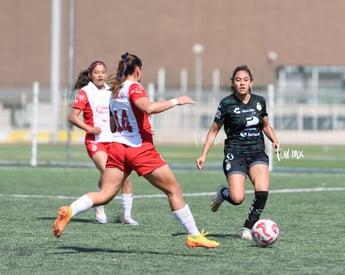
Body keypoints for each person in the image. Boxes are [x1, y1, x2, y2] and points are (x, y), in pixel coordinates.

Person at [53, 52, 219, 249]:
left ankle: (70, 211)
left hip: (117, 147)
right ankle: (194, 236)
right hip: (139, 149)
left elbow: (114, 127)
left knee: (105, 194)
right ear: (138, 71)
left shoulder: (114, 91)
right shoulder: (134, 87)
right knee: (173, 190)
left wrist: (140, 126)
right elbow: (147, 108)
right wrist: (176, 101)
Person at [196, 65, 280, 240]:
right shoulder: (226, 104)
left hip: (257, 152)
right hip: (235, 153)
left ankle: (247, 228)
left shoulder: (259, 101)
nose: (242, 83)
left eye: (245, 80)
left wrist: (275, 140)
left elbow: (265, 125)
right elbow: (213, 131)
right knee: (237, 198)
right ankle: (223, 193)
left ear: (251, 83)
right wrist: (203, 155)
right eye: (238, 80)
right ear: (233, 83)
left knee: (262, 191)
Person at [69, 60, 139, 225]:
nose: (100, 75)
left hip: (114, 141)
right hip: (96, 142)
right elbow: (72, 117)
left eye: (102, 72)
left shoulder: (112, 91)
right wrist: (90, 129)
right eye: (96, 72)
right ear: (90, 75)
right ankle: (98, 205)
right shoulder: (85, 92)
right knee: (110, 175)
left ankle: (127, 216)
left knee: (125, 178)